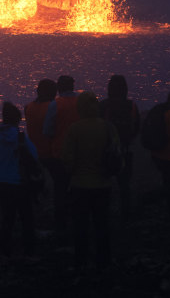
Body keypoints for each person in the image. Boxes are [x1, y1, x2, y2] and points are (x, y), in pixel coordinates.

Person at [62, 91, 120, 271]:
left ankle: (81, 262)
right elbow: (117, 155)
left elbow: (68, 161)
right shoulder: (108, 127)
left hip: (80, 185)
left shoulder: (74, 129)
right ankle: (104, 261)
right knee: (102, 225)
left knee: (80, 227)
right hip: (103, 184)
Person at [0, 101, 38, 259]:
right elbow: (34, 156)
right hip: (19, 182)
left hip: (1, 183)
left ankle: (4, 250)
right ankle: (28, 251)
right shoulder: (20, 138)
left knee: (7, 217)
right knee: (26, 217)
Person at [99, 74, 140, 220]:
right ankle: (125, 214)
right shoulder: (132, 106)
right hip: (125, 150)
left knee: (104, 184)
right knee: (124, 185)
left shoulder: (103, 105)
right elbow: (136, 127)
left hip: (106, 151)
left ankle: (104, 214)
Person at [42, 75, 80, 231]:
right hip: (79, 151)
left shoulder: (55, 105)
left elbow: (48, 130)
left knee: (60, 187)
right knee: (77, 185)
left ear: (59, 87)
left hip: (60, 152)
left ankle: (61, 221)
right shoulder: (82, 102)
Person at [24, 79, 57, 219]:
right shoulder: (52, 107)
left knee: (35, 185)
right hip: (50, 152)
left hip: (33, 153)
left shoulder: (28, 107)